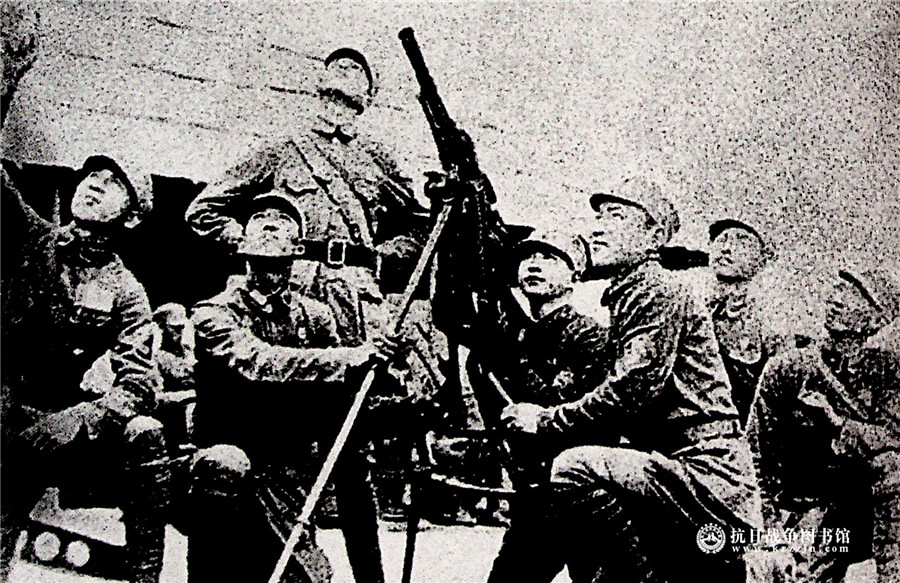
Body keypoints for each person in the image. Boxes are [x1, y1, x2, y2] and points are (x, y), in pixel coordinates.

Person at [502, 177, 763, 583]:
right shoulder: (630, 294)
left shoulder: (657, 289)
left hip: (704, 472)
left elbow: (630, 390)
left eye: (617, 217)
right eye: (598, 217)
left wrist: (545, 421)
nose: (598, 228)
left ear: (654, 237)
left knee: (573, 467)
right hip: (673, 466)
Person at [188, 192, 403, 583]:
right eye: (261, 261)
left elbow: (337, 385)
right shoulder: (213, 313)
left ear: (296, 254)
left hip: (286, 474)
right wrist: (352, 356)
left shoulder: (315, 315)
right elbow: (258, 361)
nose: (271, 272)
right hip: (225, 469)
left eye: (279, 262)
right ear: (244, 252)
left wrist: (378, 361)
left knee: (308, 576)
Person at [0, 155, 167, 583]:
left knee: (144, 433)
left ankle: (143, 576)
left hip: (52, 423)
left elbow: (138, 383)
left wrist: (78, 420)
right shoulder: (29, 235)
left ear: (131, 216)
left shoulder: (125, 291)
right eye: (93, 175)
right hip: (3, 404)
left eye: (113, 182)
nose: (94, 184)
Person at [749, 265, 900, 583]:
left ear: (875, 320)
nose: (836, 298)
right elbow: (756, 457)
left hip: (864, 516)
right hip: (800, 514)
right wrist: (772, 531)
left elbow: (892, 446)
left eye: (854, 294)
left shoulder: (888, 373)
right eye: (837, 288)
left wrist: (839, 424)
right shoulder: (788, 368)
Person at [481, 228, 614, 583]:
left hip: (584, 496)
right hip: (537, 496)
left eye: (550, 258)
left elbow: (573, 409)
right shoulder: (519, 335)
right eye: (528, 257)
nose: (534, 265)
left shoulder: (589, 335)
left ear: (575, 275)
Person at [708, 218, 787, 426]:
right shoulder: (692, 303)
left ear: (763, 258)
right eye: (721, 239)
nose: (726, 248)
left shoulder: (770, 317)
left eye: (741, 241)